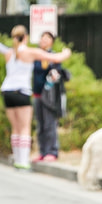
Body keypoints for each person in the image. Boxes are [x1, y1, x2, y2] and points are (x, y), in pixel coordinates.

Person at [0, 27, 71, 169]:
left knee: (15, 128)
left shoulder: (10, 52)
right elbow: (57, 58)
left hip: (7, 91)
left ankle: (17, 159)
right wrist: (66, 52)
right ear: (25, 37)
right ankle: (23, 161)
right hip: (22, 92)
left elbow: (1, 48)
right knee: (24, 128)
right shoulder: (30, 52)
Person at [32, 31, 69, 164]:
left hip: (49, 96)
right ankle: (42, 152)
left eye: (47, 39)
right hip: (37, 94)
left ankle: (52, 151)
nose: (44, 41)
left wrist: (50, 82)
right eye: (42, 38)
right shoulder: (35, 56)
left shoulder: (54, 57)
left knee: (50, 124)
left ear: (52, 42)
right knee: (40, 125)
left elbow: (57, 73)